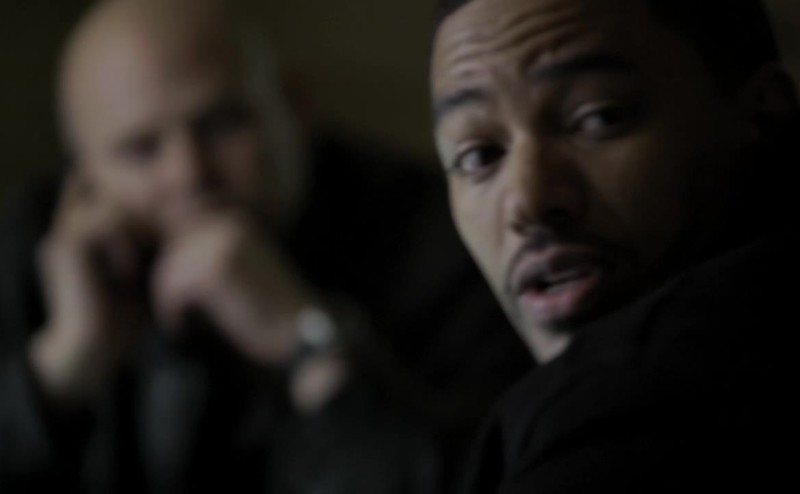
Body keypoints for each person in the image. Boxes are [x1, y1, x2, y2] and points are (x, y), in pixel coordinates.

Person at [0, 0, 529, 492]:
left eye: (222, 124)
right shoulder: (37, 251)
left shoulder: (444, 237)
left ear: (294, 107)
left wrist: (306, 339)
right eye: (141, 149)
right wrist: (62, 369)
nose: (189, 174)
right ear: (82, 173)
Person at [429, 0, 799, 491]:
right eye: (479, 156)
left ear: (763, 115)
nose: (528, 202)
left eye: (599, 118)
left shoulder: (626, 402)